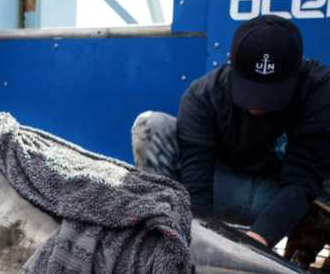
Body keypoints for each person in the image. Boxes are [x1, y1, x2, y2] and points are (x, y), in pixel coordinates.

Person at [131, 15, 330, 248]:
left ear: (298, 73)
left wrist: (254, 247)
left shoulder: (320, 91)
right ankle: (162, 239)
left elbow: (302, 182)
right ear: (231, 66)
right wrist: (203, 243)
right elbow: (198, 189)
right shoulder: (203, 96)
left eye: (272, 94)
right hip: (224, 190)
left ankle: (312, 254)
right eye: (252, 90)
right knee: (151, 125)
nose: (259, 105)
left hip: (292, 201)